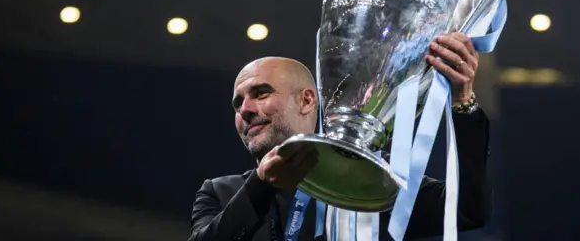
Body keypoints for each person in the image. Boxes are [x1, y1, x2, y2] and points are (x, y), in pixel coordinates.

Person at [189, 32, 492, 241]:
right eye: (237, 103)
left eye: (260, 93)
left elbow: (467, 210)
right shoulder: (220, 193)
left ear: (307, 101)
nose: (245, 109)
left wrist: (462, 101)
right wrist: (260, 186)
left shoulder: (371, 181)